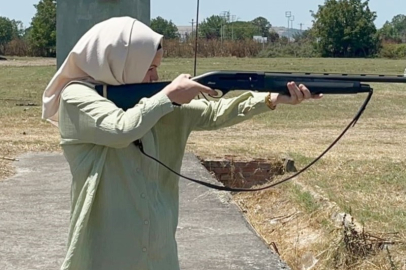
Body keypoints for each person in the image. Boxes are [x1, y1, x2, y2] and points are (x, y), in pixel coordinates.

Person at [42, 16, 322, 270]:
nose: (154, 77)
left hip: (158, 255)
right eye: (148, 68)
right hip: (104, 257)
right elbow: (120, 129)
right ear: (122, 62)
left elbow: (212, 112)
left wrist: (270, 99)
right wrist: (167, 97)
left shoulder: (151, 103)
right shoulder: (75, 96)